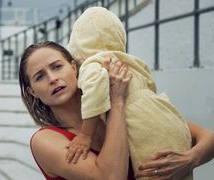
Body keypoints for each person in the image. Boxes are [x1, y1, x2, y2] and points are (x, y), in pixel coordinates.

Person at [19, 41, 214, 179]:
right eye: (39, 77)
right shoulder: (45, 140)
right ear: (32, 91)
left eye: (57, 67)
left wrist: (191, 159)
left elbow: (207, 136)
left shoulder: (116, 112)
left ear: (74, 68)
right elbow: (111, 177)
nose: (52, 78)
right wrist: (117, 101)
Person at [65, 7, 194, 178]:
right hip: (166, 116)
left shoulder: (93, 64)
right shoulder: (130, 61)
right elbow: (149, 83)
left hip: (140, 123)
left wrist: (85, 135)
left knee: (153, 171)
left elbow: (95, 91)